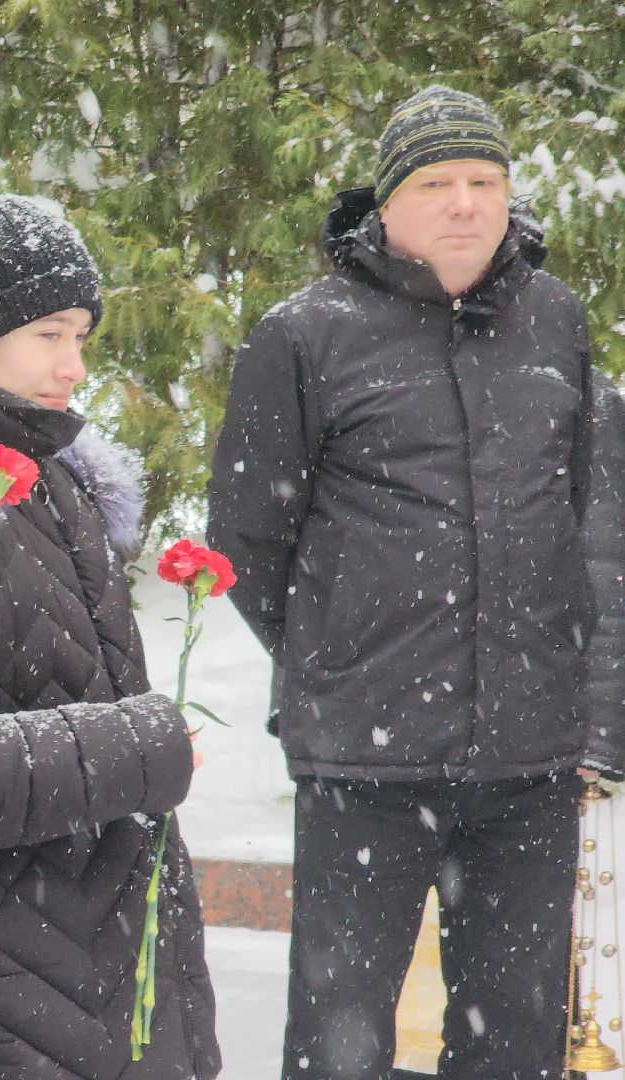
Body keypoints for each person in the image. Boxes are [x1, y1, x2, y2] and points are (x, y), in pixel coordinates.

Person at [207, 85, 625, 1079]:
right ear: (385, 202)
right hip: (366, 771)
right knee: (340, 1044)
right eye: (436, 182)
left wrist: (593, 715)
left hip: (531, 767)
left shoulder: (554, 322)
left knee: (514, 1052)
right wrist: (338, 665)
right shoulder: (301, 337)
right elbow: (247, 541)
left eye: (484, 180)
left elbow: (597, 528)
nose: (465, 203)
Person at [0, 164, 220, 1080]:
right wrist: (141, 751)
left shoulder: (59, 484)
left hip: (115, 951)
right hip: (2, 971)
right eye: (47, 334)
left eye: (82, 335)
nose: (75, 364)